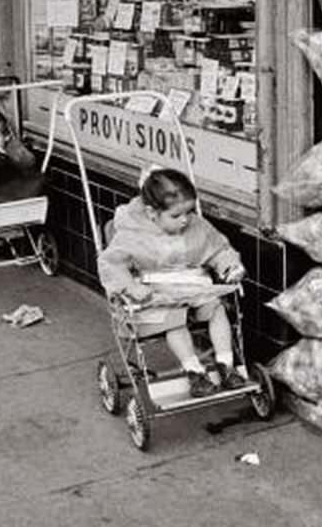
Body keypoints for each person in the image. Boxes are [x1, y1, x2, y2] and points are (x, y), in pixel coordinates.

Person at [97, 166, 248, 399]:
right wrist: (131, 287)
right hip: (156, 293)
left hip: (194, 287)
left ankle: (226, 364)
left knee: (217, 308)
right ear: (151, 213)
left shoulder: (197, 226)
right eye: (176, 216)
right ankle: (194, 370)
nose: (185, 220)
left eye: (188, 212)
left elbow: (217, 248)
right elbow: (112, 264)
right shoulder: (132, 234)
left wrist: (229, 266)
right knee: (173, 319)